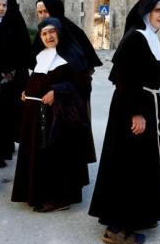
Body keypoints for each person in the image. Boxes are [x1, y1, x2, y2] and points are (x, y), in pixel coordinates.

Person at [88, 0, 160, 244]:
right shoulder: (135, 38)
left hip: (147, 103)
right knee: (128, 164)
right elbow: (124, 79)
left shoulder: (149, 38)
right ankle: (118, 229)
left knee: (141, 163)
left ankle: (138, 216)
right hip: (134, 107)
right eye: (158, 10)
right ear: (145, 11)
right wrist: (136, 112)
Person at [11, 17, 96, 213]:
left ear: (59, 32)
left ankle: (60, 198)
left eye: (52, 32)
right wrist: (27, 90)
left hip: (61, 117)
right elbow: (37, 78)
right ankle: (37, 193)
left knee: (58, 155)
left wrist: (58, 91)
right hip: (36, 115)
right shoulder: (41, 55)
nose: (48, 36)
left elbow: (82, 84)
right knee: (37, 154)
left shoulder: (73, 55)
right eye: (44, 33)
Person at [0, 0, 32, 165]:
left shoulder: (16, 22)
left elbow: (24, 51)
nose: (0, 8)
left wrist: (12, 70)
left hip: (15, 77)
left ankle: (6, 147)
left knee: (10, 113)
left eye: (4, 5)